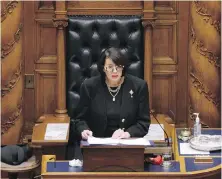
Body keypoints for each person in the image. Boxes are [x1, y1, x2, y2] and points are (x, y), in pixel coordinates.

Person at [75, 47, 150, 140]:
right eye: (110, 67)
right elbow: (79, 119)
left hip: (127, 144)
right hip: (96, 145)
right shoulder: (89, 86)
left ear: (123, 67)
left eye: (118, 67)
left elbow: (143, 122)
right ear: (103, 68)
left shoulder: (139, 86)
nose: (115, 71)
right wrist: (84, 130)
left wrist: (128, 134)